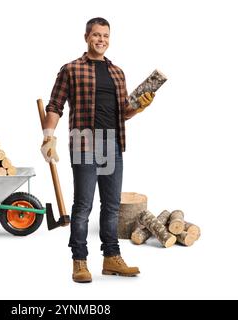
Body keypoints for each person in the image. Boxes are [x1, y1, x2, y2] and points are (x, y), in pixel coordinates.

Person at [41, 17, 155, 283]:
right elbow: (55, 105)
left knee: (112, 206)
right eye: (96, 35)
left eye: (105, 35)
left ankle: (111, 259)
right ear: (86, 37)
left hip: (112, 143)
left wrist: (140, 106)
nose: (101, 40)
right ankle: (79, 262)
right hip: (84, 141)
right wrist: (48, 136)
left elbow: (123, 113)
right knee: (82, 207)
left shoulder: (117, 73)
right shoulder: (71, 69)